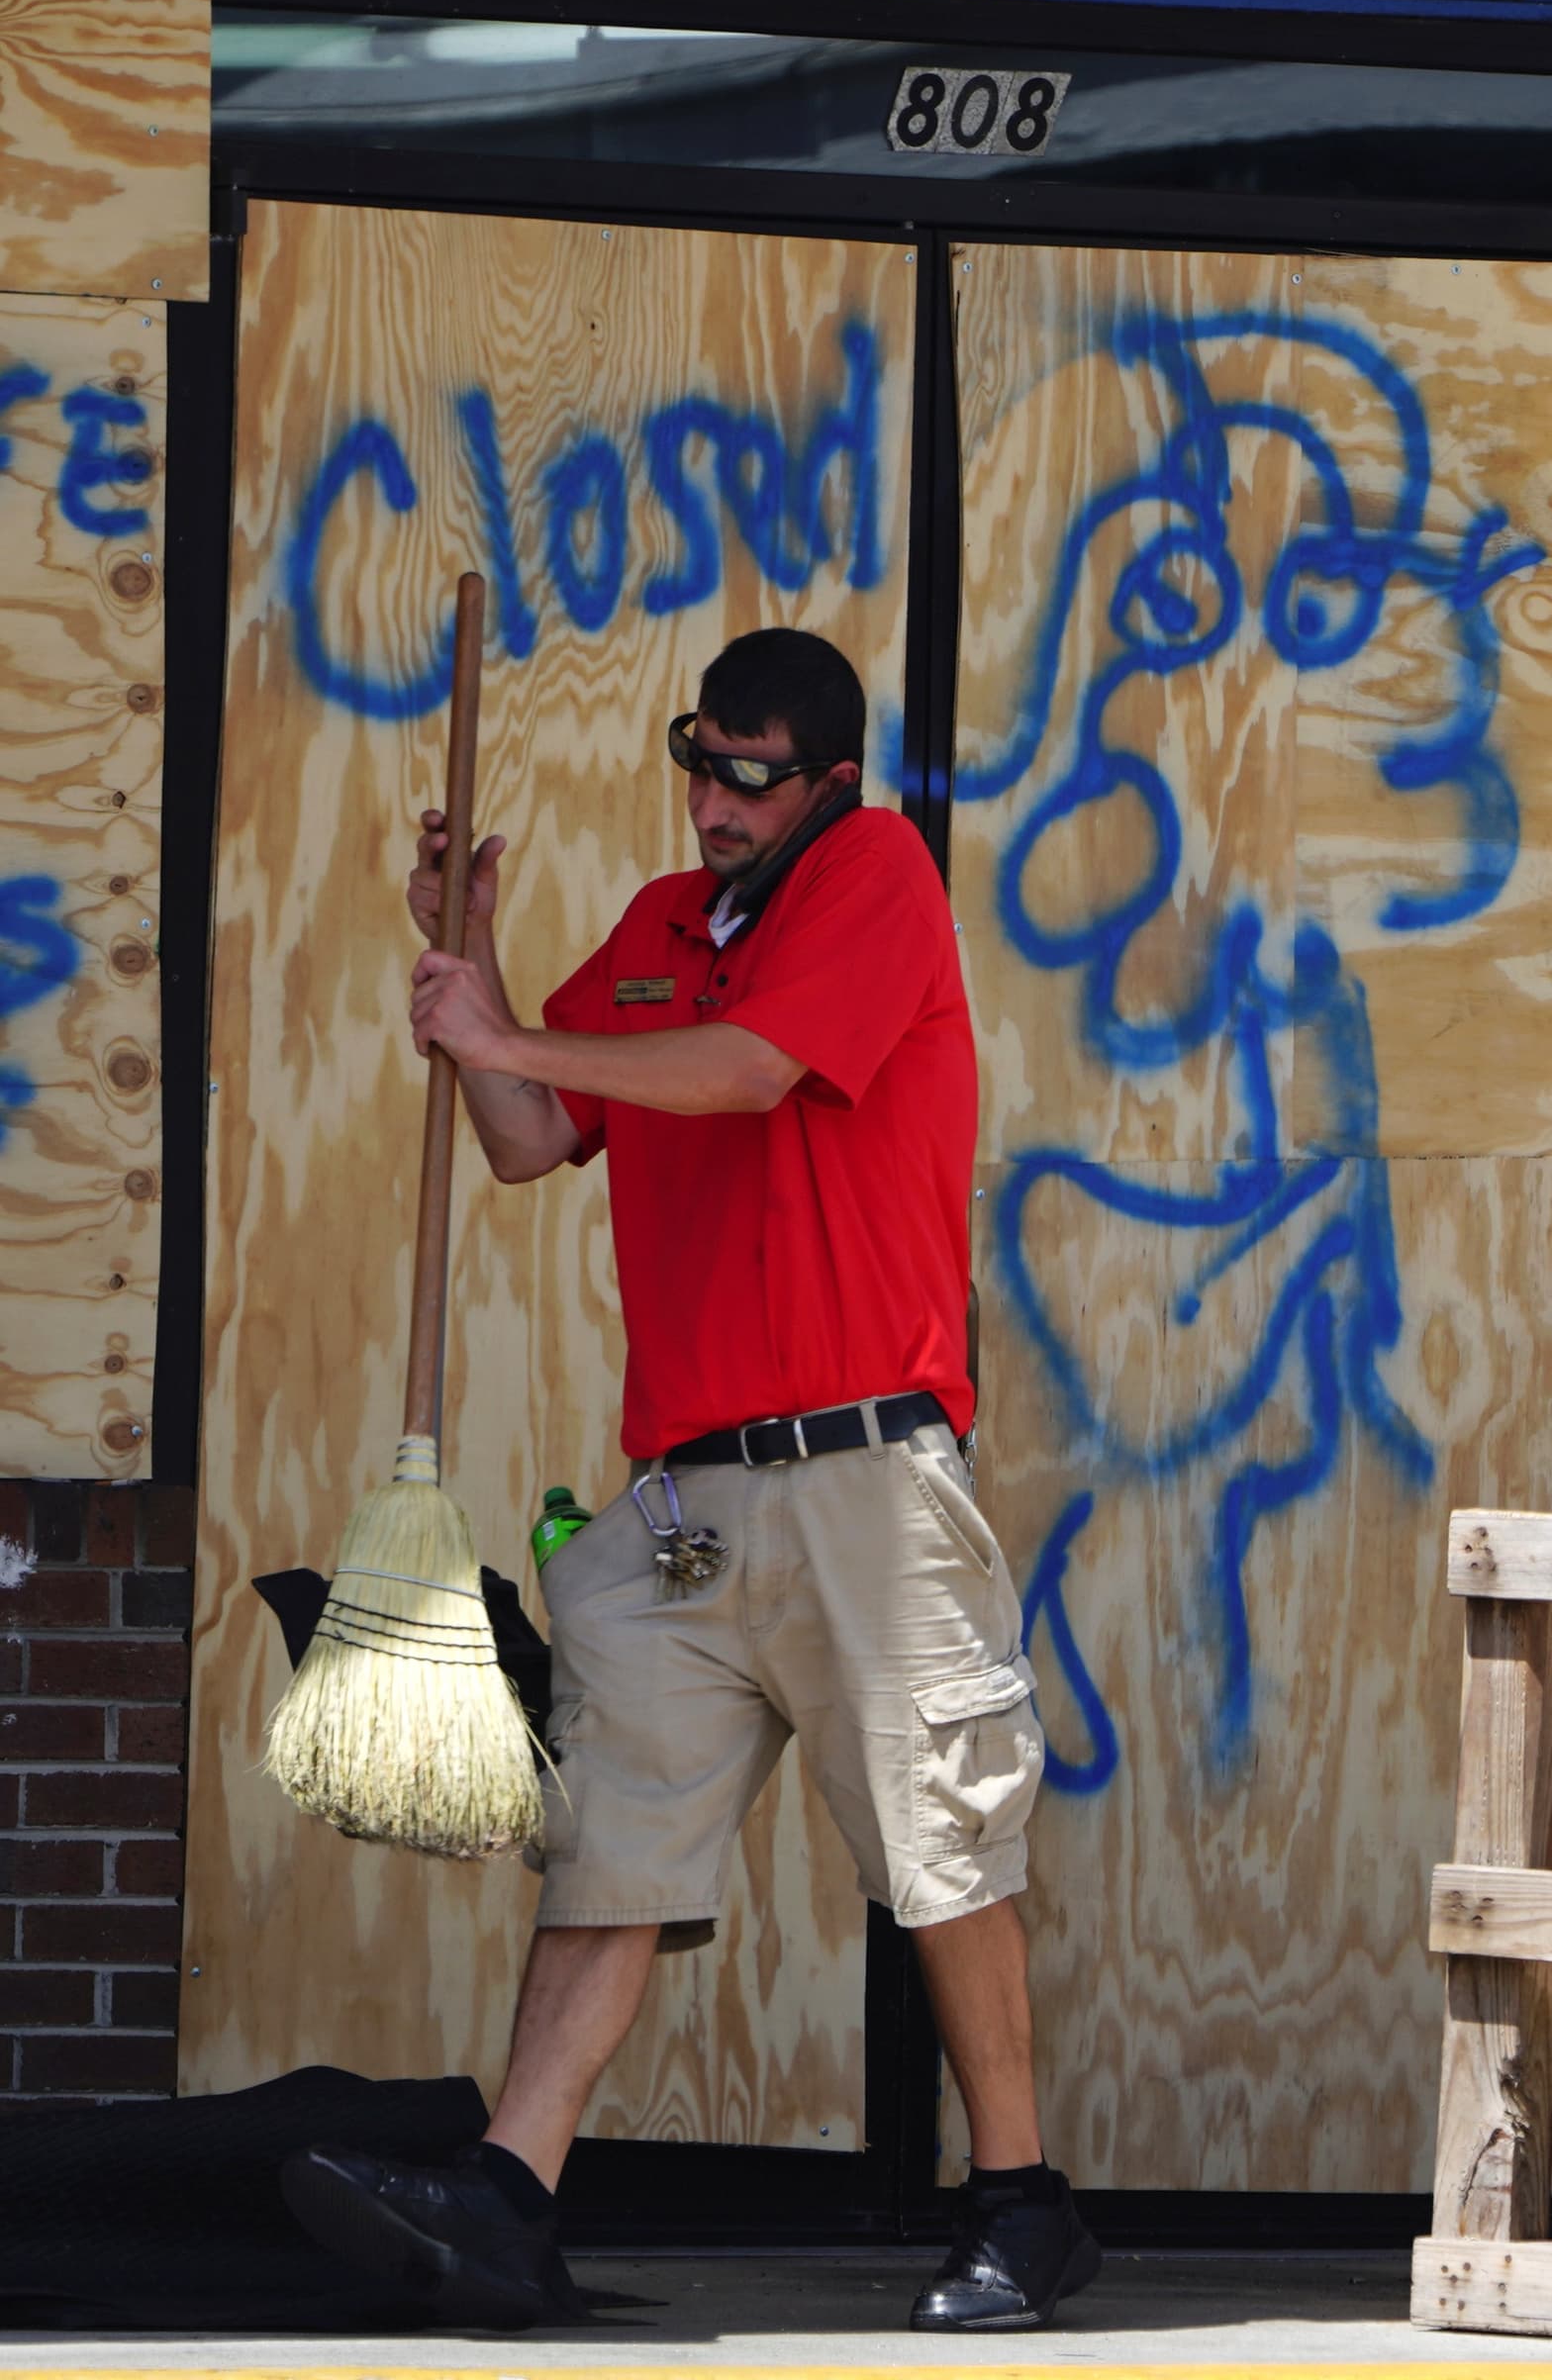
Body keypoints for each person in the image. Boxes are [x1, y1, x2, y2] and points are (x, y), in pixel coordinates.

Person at [278, 629, 1095, 2334]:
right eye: (700, 760)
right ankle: (511, 2193)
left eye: (752, 773)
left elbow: (746, 1074)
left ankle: (1020, 2201)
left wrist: (513, 1033)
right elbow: (521, 1138)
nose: (717, 802)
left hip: (864, 1465)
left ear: (828, 783)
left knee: (941, 1834)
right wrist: (468, 956)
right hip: (684, 1496)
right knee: (613, 1838)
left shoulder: (878, 876)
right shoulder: (655, 929)